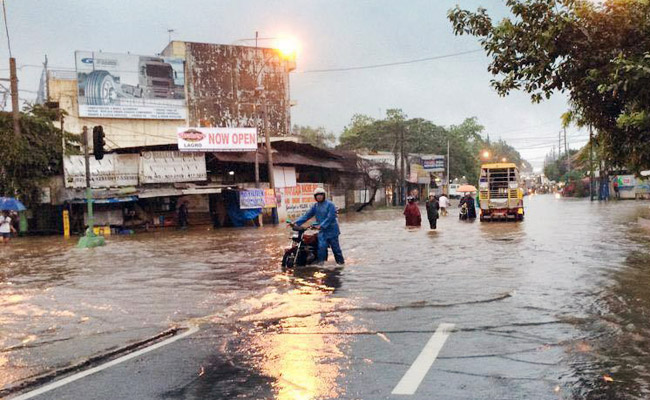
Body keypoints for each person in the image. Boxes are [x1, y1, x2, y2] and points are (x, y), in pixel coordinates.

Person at [295, 187, 344, 265]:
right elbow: (307, 215)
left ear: (324, 195)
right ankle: (322, 265)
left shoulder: (330, 204)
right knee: (321, 248)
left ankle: (341, 264)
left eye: (321, 195)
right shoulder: (315, 206)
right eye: (317, 195)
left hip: (332, 230)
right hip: (322, 231)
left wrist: (321, 225)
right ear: (315, 197)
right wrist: (296, 223)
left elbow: (330, 217)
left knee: (336, 249)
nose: (319, 197)